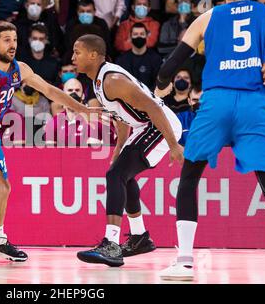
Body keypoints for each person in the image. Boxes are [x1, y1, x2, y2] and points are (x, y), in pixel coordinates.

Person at [0, 21, 99, 265]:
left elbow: (51, 91)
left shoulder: (19, 69)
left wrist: (82, 108)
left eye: (15, 39)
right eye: (7, 40)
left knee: (5, 189)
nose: (13, 45)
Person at [155, 0, 265, 281]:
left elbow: (169, 67)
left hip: (217, 102)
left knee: (189, 177)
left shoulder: (207, 17)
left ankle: (184, 262)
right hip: (255, 102)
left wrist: (163, 88)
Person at [73, 34, 183, 267]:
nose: (73, 57)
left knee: (116, 175)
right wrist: (118, 150)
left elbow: (154, 106)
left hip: (160, 124)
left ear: (93, 55)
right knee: (121, 174)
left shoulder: (112, 79)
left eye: (77, 52)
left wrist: (173, 144)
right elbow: (120, 117)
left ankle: (111, 244)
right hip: (143, 126)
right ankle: (139, 237)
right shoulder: (98, 81)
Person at [115, 22, 162, 90]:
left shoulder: (156, 59)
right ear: (130, 36)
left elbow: (158, 83)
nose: (139, 36)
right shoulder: (121, 60)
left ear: (146, 36)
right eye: (135, 34)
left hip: (149, 98)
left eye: (142, 34)